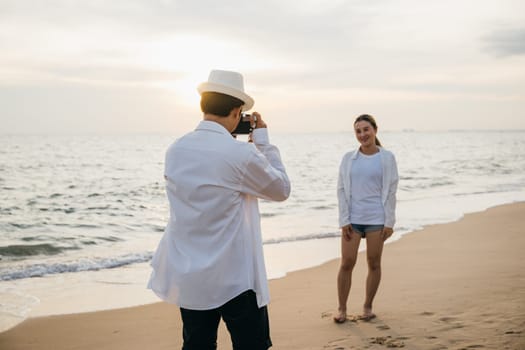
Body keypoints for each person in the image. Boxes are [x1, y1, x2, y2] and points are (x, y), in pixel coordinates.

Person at [147, 69, 290, 350]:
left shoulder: (175, 150)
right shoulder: (241, 154)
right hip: (235, 277)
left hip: (190, 273)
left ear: (204, 106)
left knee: (197, 345)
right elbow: (280, 189)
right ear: (237, 112)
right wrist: (262, 142)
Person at [334, 114, 399, 323]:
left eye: (366, 129)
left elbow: (391, 191)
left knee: (374, 263)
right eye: (358, 131)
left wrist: (389, 222)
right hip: (353, 219)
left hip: (376, 219)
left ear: (375, 130)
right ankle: (341, 309)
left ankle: (367, 306)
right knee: (347, 263)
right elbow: (341, 190)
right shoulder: (348, 159)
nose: (362, 134)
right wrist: (344, 220)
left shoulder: (387, 158)